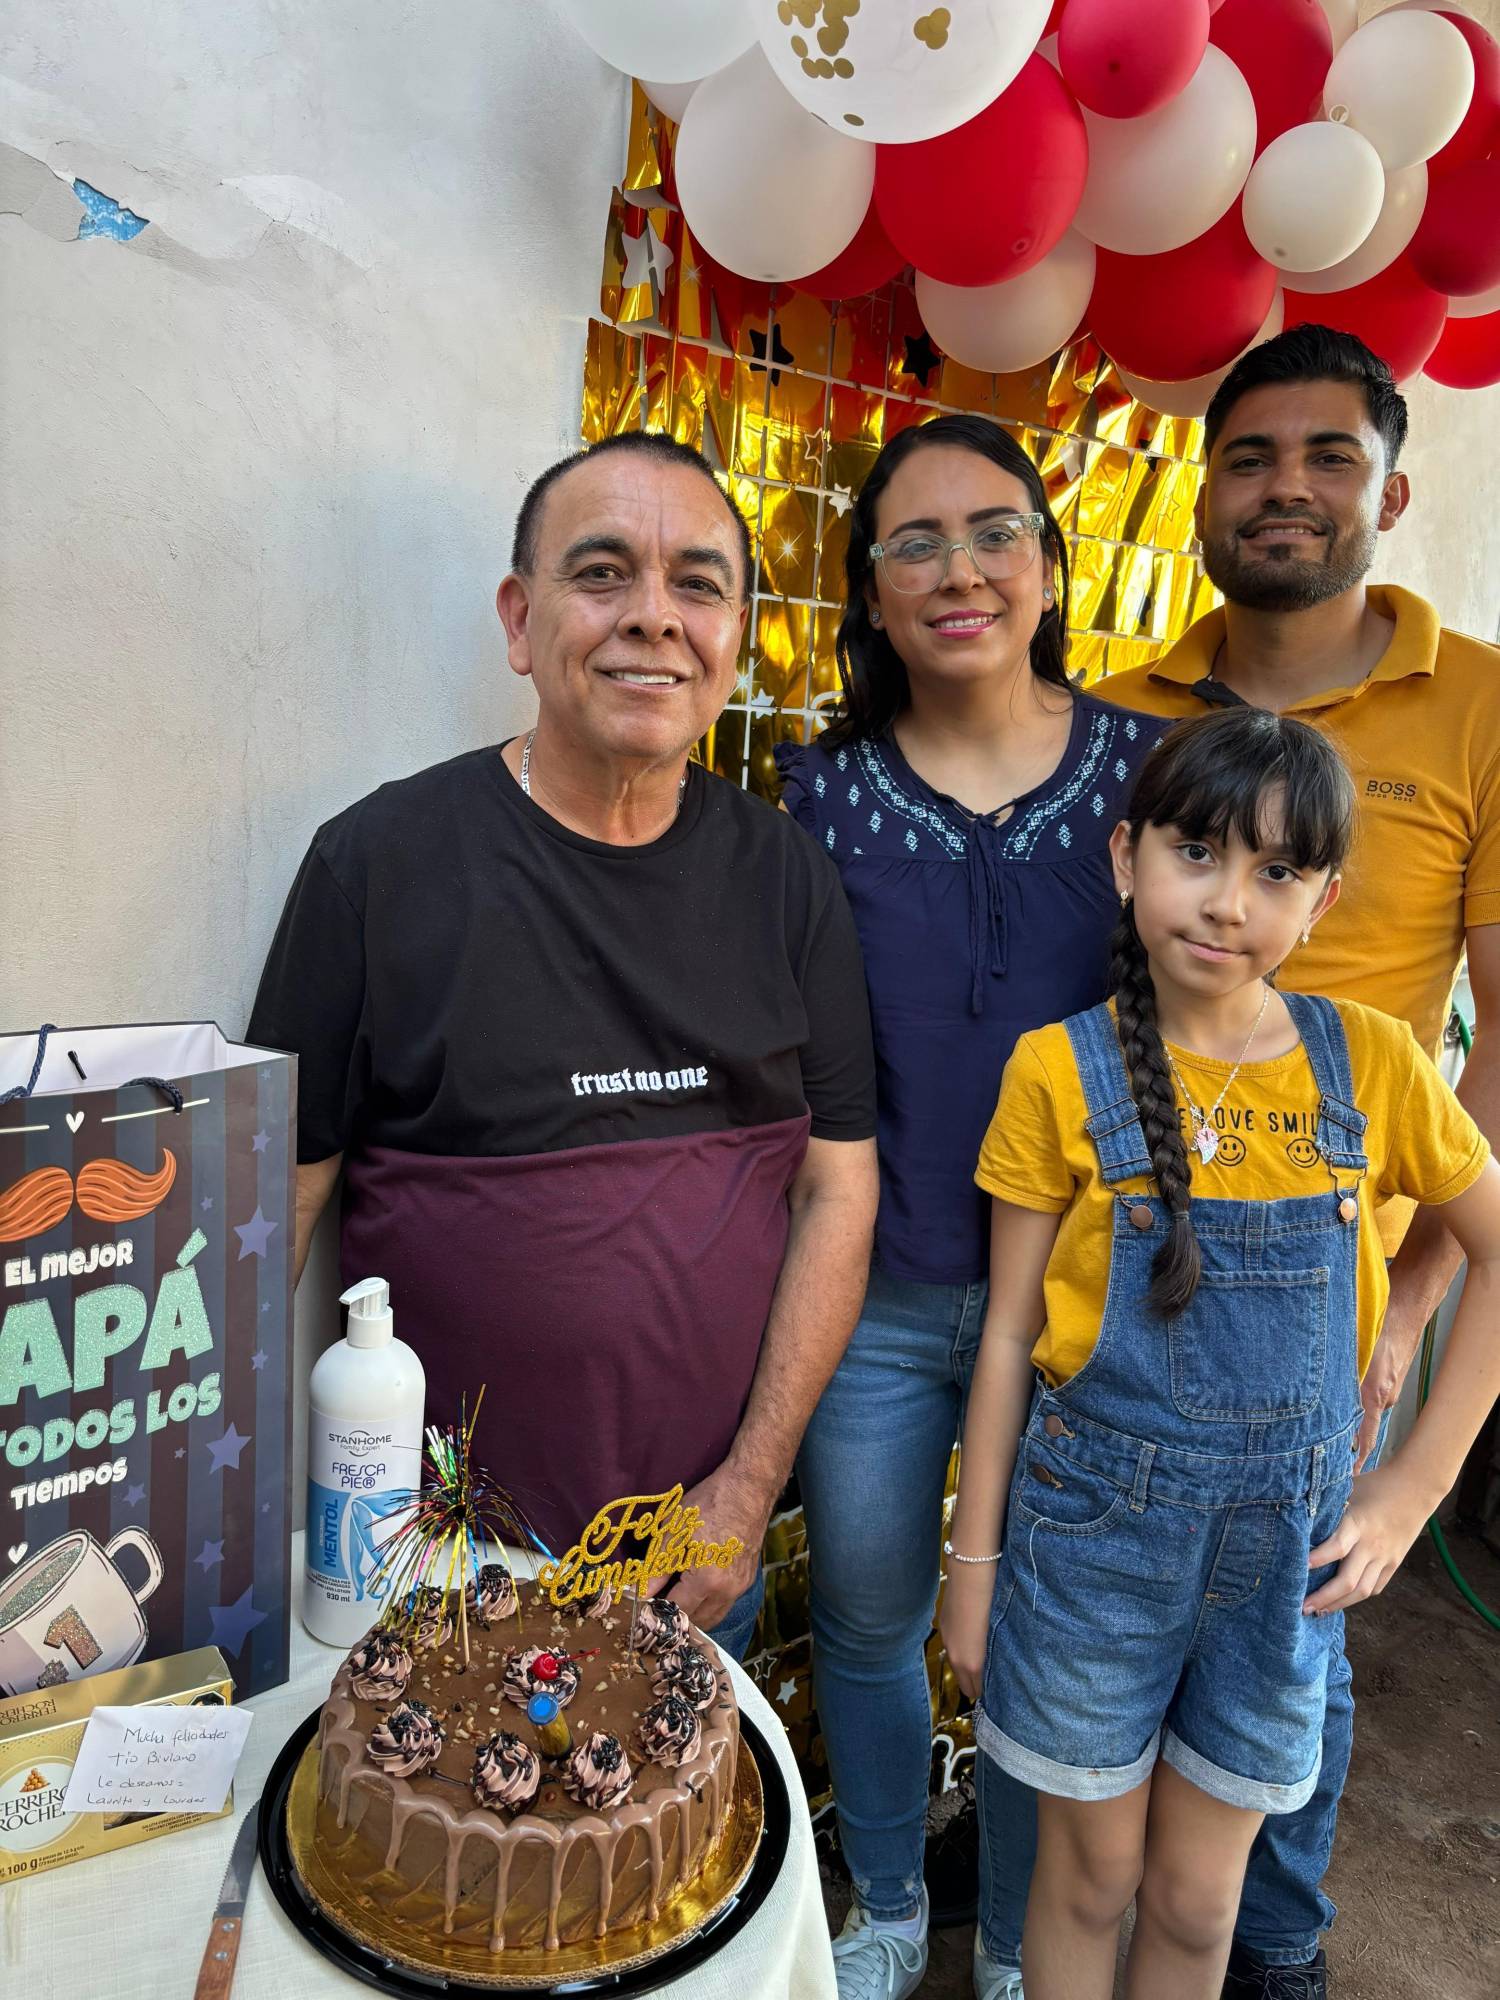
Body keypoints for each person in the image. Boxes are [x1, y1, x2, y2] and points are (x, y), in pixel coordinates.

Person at [248, 431, 879, 1655]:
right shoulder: (374, 867)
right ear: (520, 618)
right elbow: (278, 1201)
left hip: (693, 1553)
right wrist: (208, 1533)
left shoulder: (791, 882)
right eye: (603, 574)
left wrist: (746, 1494)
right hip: (428, 1560)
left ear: (736, 634)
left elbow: (839, 1186)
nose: (655, 617)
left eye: (697, 583)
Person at [942, 708, 1500, 2000]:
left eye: (1277, 873)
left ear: (1325, 898)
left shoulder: (1374, 1067)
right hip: (1090, 1549)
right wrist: (972, 1568)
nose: (1229, 902)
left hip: (1283, 1575)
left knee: (1199, 1906)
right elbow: (1012, 1335)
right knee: (1083, 1883)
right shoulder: (1056, 1073)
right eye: (1198, 853)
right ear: (1129, 857)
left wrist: (1413, 1492)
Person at [1086, 323, 1500, 1996]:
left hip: (1342, 1313)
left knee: (1291, 1698)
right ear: (1202, 491)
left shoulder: (1478, 704)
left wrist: (1413, 1344)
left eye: (1328, 456)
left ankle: (1281, 1964)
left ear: (1389, 488)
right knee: (1114, 1669)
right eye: (1250, 456)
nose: (1286, 488)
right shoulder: (1118, 712)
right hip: (1122, 1302)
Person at [774, 413, 1162, 2000]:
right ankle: (878, 1902)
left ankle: (1009, 1939)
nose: (959, 571)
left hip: (1081, 1306)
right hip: (868, 1296)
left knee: (1034, 1644)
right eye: (914, 542)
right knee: (870, 1616)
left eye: (994, 531)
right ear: (868, 593)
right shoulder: (818, 798)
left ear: (1052, 565)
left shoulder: (1148, 774)